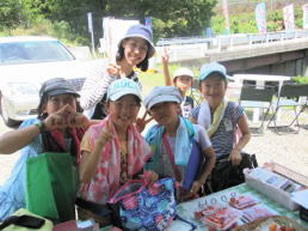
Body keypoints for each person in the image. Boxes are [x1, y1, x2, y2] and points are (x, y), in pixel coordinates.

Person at [0, 78, 90, 221]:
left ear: (76, 105)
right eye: (55, 100)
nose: (63, 105)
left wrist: (87, 123)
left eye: (68, 99)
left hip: (54, 210)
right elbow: (2, 146)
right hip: (20, 208)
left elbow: (108, 129)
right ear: (43, 107)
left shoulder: (80, 131)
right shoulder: (36, 126)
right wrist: (43, 127)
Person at [78, 78, 157, 206]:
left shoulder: (135, 138)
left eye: (132, 105)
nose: (125, 111)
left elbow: (132, 174)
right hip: (96, 207)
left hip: (124, 204)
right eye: (119, 104)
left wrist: (148, 176)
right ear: (107, 106)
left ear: (138, 109)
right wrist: (100, 145)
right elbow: (84, 177)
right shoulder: (94, 133)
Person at [144, 86, 216, 201]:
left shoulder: (196, 132)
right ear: (150, 113)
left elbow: (211, 157)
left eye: (166, 104)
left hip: (188, 196)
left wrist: (200, 181)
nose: (161, 110)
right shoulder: (151, 136)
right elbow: (142, 161)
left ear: (177, 107)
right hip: (161, 199)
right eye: (155, 107)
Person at [191, 62, 251, 192]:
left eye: (218, 85)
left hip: (226, 164)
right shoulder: (195, 113)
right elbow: (190, 139)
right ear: (200, 89)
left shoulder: (234, 109)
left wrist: (237, 150)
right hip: (204, 165)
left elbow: (247, 134)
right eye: (207, 85)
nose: (213, 90)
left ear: (226, 87)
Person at [80, 24, 155, 119]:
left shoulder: (136, 83)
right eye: (133, 44)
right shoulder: (102, 68)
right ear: (124, 43)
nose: (137, 51)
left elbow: (128, 117)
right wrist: (108, 77)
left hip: (116, 133)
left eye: (143, 48)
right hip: (91, 130)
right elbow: (85, 103)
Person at [161, 49, 195, 119]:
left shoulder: (190, 100)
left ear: (191, 83)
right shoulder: (172, 98)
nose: (184, 82)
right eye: (181, 79)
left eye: (188, 80)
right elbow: (168, 84)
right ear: (175, 82)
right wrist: (165, 64)